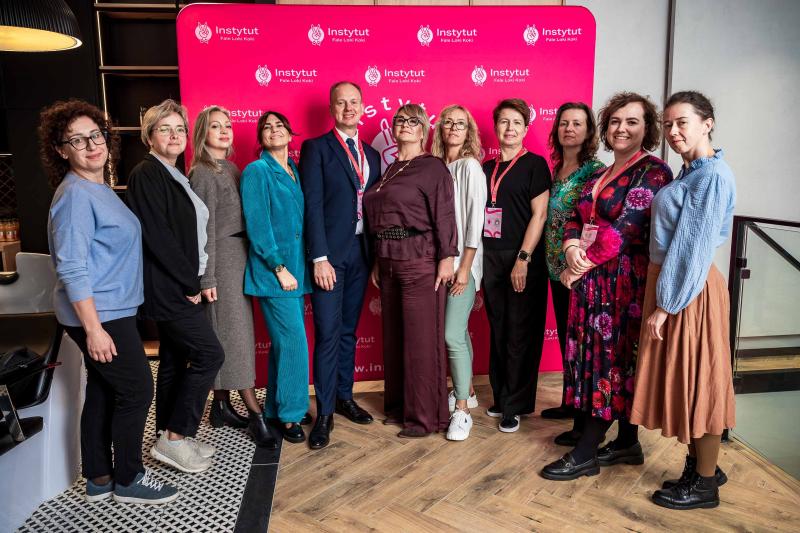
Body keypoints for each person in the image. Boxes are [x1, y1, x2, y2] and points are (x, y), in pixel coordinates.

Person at [42, 99, 178, 504]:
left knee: (103, 389)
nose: (91, 145)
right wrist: (94, 329)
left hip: (110, 309)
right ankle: (129, 478)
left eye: (96, 135)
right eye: (77, 140)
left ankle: (99, 477)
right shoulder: (74, 196)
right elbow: (72, 268)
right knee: (137, 390)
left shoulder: (96, 188)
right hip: (100, 313)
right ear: (60, 150)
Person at [541, 92, 672, 480]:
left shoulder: (654, 171)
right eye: (615, 121)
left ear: (647, 128)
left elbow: (625, 228)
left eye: (631, 121)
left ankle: (586, 453)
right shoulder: (602, 174)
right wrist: (570, 249)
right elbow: (573, 217)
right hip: (592, 281)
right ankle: (627, 442)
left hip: (623, 284)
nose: (621, 128)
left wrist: (578, 266)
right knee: (601, 358)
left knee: (613, 361)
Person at [632, 91, 736, 510]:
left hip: (687, 289)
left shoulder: (712, 176)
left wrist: (666, 305)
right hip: (674, 284)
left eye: (682, 123)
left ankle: (705, 484)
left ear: (707, 124)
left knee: (701, 383)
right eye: (668, 125)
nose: (673, 132)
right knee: (688, 380)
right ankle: (701, 467)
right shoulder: (691, 172)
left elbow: (693, 249)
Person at [126, 99, 224, 474]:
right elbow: (158, 236)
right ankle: (176, 436)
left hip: (177, 283)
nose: (174, 135)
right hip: (170, 287)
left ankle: (167, 435)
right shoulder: (146, 173)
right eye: (164, 129)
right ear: (149, 136)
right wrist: (190, 282)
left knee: (172, 361)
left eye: (179, 129)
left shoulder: (174, 174)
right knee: (209, 355)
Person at [363, 103, 458, 438]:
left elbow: (445, 214)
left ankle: (424, 418)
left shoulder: (432, 167)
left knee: (421, 341)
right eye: (400, 120)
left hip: (421, 259)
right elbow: (383, 220)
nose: (405, 124)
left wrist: (447, 257)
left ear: (423, 130)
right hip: (388, 259)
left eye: (413, 121)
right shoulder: (389, 169)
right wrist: (378, 260)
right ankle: (399, 408)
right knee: (395, 338)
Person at [299, 81, 380, 450]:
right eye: (341, 103)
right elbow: (312, 206)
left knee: (348, 331)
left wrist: (376, 259)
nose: (349, 108)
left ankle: (345, 397)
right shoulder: (317, 148)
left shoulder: (371, 154)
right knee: (329, 333)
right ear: (332, 108)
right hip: (330, 257)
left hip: (361, 253)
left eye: (354, 102)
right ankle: (325, 413)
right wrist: (319, 258)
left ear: (362, 107)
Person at [189, 106, 276, 449]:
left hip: (239, 258)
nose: (225, 130)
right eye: (215, 126)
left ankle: (221, 405)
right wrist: (207, 278)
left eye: (227, 125)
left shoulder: (232, 167)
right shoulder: (202, 172)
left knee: (229, 334)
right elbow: (203, 230)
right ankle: (255, 413)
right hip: (221, 263)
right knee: (235, 337)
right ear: (202, 133)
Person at [241, 111, 312, 444]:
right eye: (266, 127)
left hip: (296, 271)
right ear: (261, 138)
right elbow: (258, 225)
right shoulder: (257, 171)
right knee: (294, 343)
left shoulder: (293, 169)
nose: (273, 130)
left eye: (279, 125)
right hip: (275, 273)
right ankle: (290, 415)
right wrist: (278, 268)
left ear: (290, 133)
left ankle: (275, 407)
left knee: (284, 345)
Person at [481, 98, 551, 433]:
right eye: (504, 122)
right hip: (491, 255)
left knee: (520, 332)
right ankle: (501, 396)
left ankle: (516, 405)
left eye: (517, 123)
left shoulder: (535, 165)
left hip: (522, 257)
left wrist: (523, 258)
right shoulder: (486, 168)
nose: (510, 128)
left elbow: (540, 215)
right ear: (496, 126)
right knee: (499, 329)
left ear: (525, 128)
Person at [541, 102, 605, 446]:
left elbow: (592, 222)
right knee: (568, 342)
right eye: (564, 123)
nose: (569, 129)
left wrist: (575, 262)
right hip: (553, 268)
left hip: (577, 270)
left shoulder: (594, 171)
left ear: (588, 130)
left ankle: (582, 420)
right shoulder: (556, 168)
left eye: (577, 123)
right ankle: (569, 401)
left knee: (579, 345)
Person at [430, 104, 487, 441]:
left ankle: (462, 410)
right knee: (459, 332)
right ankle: (469, 392)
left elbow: (475, 222)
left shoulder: (470, 167)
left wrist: (464, 268)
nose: (453, 127)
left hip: (462, 265)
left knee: (450, 335)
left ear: (469, 132)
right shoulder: (437, 166)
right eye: (448, 122)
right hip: (439, 264)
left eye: (460, 124)